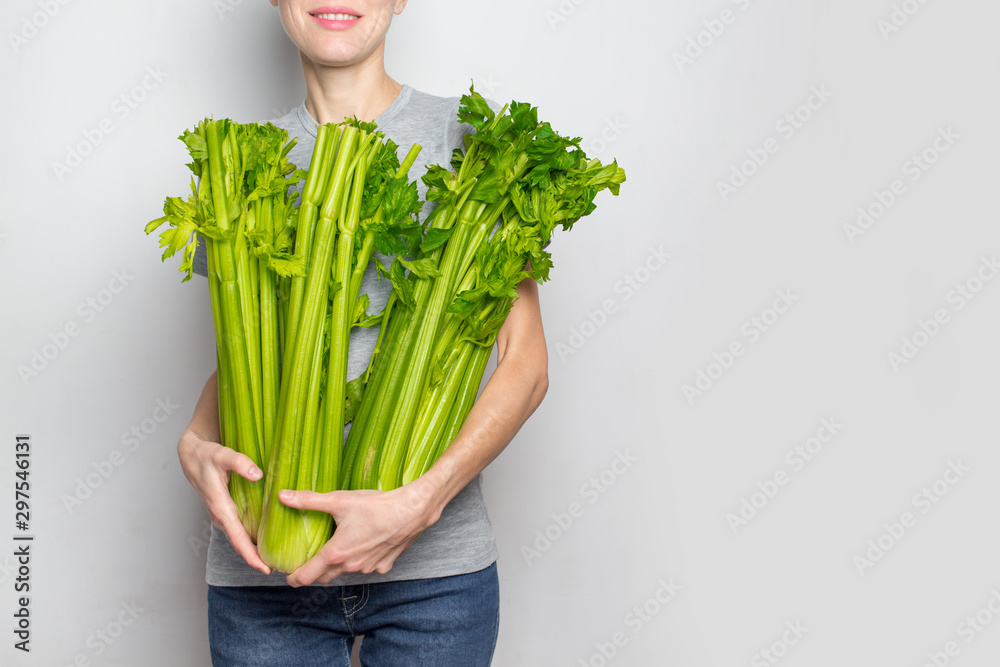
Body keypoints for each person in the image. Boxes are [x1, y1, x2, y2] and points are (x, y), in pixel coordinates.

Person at [178, 1, 548, 664]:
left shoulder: (472, 145)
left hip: (432, 581)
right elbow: (248, 361)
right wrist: (196, 441)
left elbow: (525, 365)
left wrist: (419, 503)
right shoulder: (238, 165)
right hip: (263, 577)